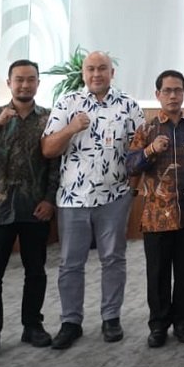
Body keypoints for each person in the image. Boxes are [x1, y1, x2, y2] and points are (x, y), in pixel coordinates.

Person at [41, 51, 145, 349]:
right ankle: (70, 321)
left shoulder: (129, 106)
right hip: (73, 198)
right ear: (83, 73)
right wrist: (72, 128)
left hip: (115, 197)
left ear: (112, 72)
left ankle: (111, 317)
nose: (96, 74)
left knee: (113, 259)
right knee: (70, 263)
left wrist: (132, 191)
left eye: (102, 69)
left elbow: (140, 153)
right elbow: (48, 149)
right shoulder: (67, 103)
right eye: (91, 69)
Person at [0, 59, 59, 360]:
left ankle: (32, 325)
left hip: (35, 208)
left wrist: (49, 199)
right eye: (19, 79)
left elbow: (55, 165)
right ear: (9, 82)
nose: (24, 84)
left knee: (36, 272)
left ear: (37, 83)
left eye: (30, 79)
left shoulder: (48, 118)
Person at [127, 70, 184, 347]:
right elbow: (131, 166)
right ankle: (159, 325)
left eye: (178, 90)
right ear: (157, 95)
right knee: (158, 272)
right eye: (167, 91)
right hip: (156, 215)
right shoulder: (147, 130)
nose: (172, 95)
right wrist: (150, 150)